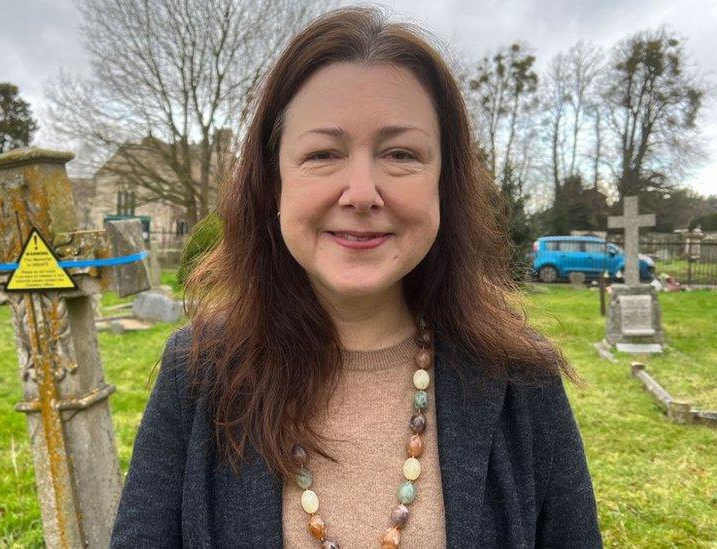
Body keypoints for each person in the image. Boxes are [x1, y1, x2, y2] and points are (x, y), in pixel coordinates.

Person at [110, 7, 602, 548]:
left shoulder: (519, 382)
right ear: (273, 184)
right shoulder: (196, 375)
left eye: (401, 154)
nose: (362, 193)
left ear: (445, 182)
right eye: (323, 153)